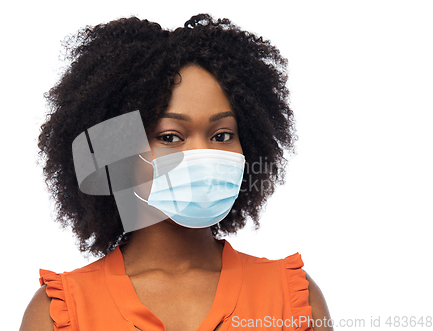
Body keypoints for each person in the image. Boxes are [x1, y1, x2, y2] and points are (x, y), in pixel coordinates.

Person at [20, 14, 332, 331]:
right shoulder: (61, 313)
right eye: (170, 137)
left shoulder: (293, 301)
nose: (203, 155)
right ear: (120, 152)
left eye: (222, 135)